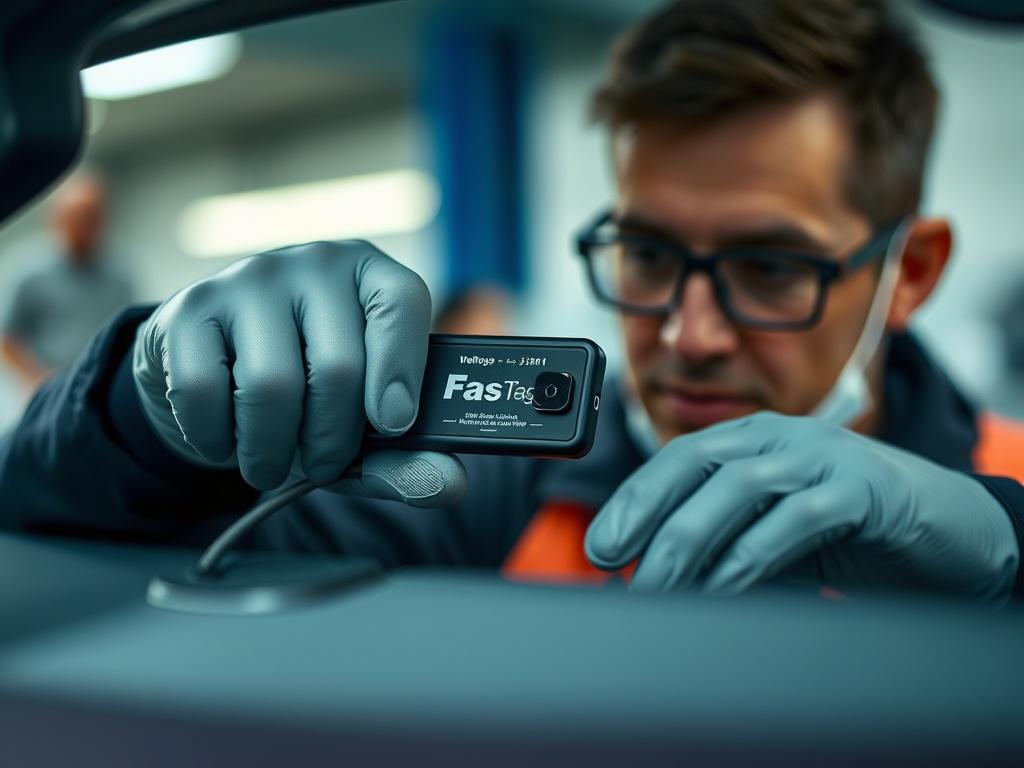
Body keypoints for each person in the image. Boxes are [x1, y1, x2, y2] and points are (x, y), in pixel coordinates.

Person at [2, 0, 1023, 601]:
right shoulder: (474, 495)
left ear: (912, 272)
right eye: (647, 257)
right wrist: (134, 419)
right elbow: (79, 575)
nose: (686, 335)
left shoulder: (1004, 492)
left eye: (768, 269)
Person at [0, 174, 132, 393]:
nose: (84, 227)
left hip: (103, 390)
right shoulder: (28, 271)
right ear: (57, 220)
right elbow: (6, 339)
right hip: (50, 396)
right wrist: (34, 379)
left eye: (91, 219)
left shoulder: (119, 274)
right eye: (78, 219)